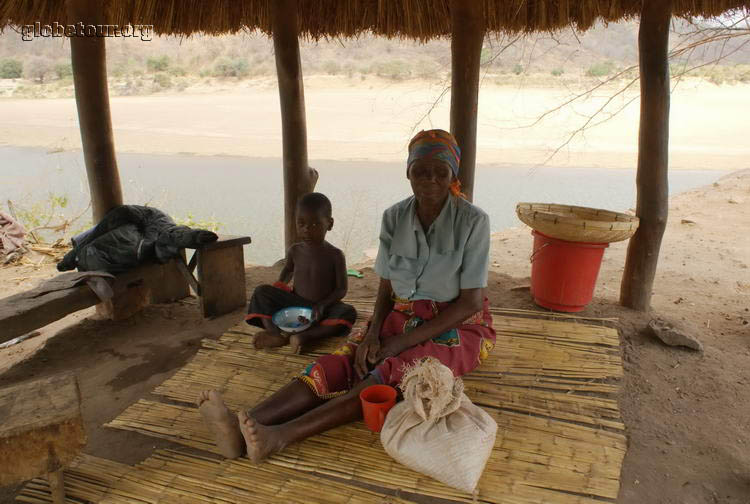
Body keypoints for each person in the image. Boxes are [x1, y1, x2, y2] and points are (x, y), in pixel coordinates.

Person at [198, 129, 495, 462]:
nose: (430, 180)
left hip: (457, 325)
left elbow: (470, 302)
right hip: (401, 313)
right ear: (407, 172)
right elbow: (387, 285)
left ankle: (279, 437)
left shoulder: (473, 222)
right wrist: (373, 332)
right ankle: (247, 423)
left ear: (453, 174)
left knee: (392, 371)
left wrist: (398, 343)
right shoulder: (394, 217)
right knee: (345, 359)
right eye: (419, 171)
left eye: (440, 172)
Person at [246, 192, 356, 354]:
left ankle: (306, 336)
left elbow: (341, 289)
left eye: (314, 225)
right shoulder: (295, 250)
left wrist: (323, 304)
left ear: (329, 224)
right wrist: (280, 286)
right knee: (261, 292)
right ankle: (274, 334)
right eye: (301, 224)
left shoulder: (335, 255)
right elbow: (288, 270)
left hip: (321, 309)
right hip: (295, 304)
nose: (306, 230)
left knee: (348, 313)